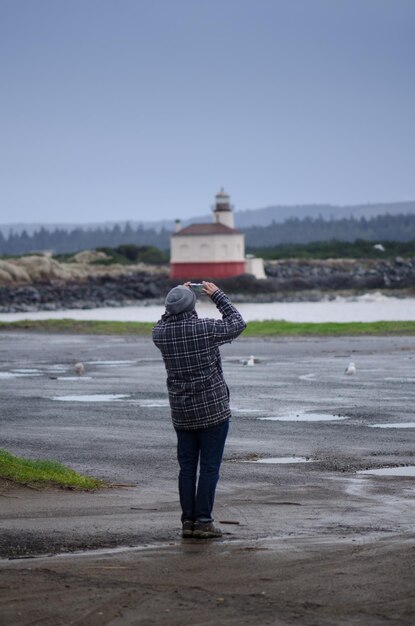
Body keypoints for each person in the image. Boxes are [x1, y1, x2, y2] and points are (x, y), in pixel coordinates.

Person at [152, 281, 246, 539]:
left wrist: (177, 297)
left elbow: (164, 321)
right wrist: (218, 296)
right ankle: (203, 521)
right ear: (192, 306)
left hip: (181, 411)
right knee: (209, 467)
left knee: (187, 468)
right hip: (212, 409)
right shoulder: (204, 329)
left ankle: (188, 522)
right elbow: (237, 323)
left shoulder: (160, 334)